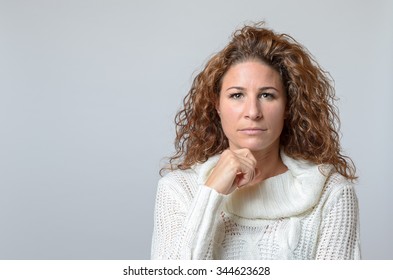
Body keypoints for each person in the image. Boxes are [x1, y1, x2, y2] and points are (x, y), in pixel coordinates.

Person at [151, 23, 360, 260]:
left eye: (266, 95)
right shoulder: (178, 189)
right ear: (217, 105)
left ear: (288, 107)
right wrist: (211, 192)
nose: (253, 111)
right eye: (237, 95)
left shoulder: (330, 193)